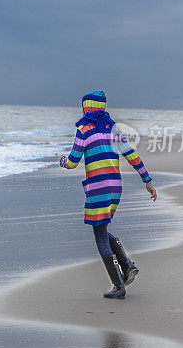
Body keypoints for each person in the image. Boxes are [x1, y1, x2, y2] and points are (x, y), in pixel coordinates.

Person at [58, 91, 157, 299]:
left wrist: (62, 161)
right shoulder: (113, 130)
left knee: (99, 233)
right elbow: (131, 154)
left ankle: (119, 285)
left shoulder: (83, 130)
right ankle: (127, 266)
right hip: (115, 187)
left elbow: (73, 161)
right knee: (101, 228)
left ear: (87, 108)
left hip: (97, 187)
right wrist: (147, 180)